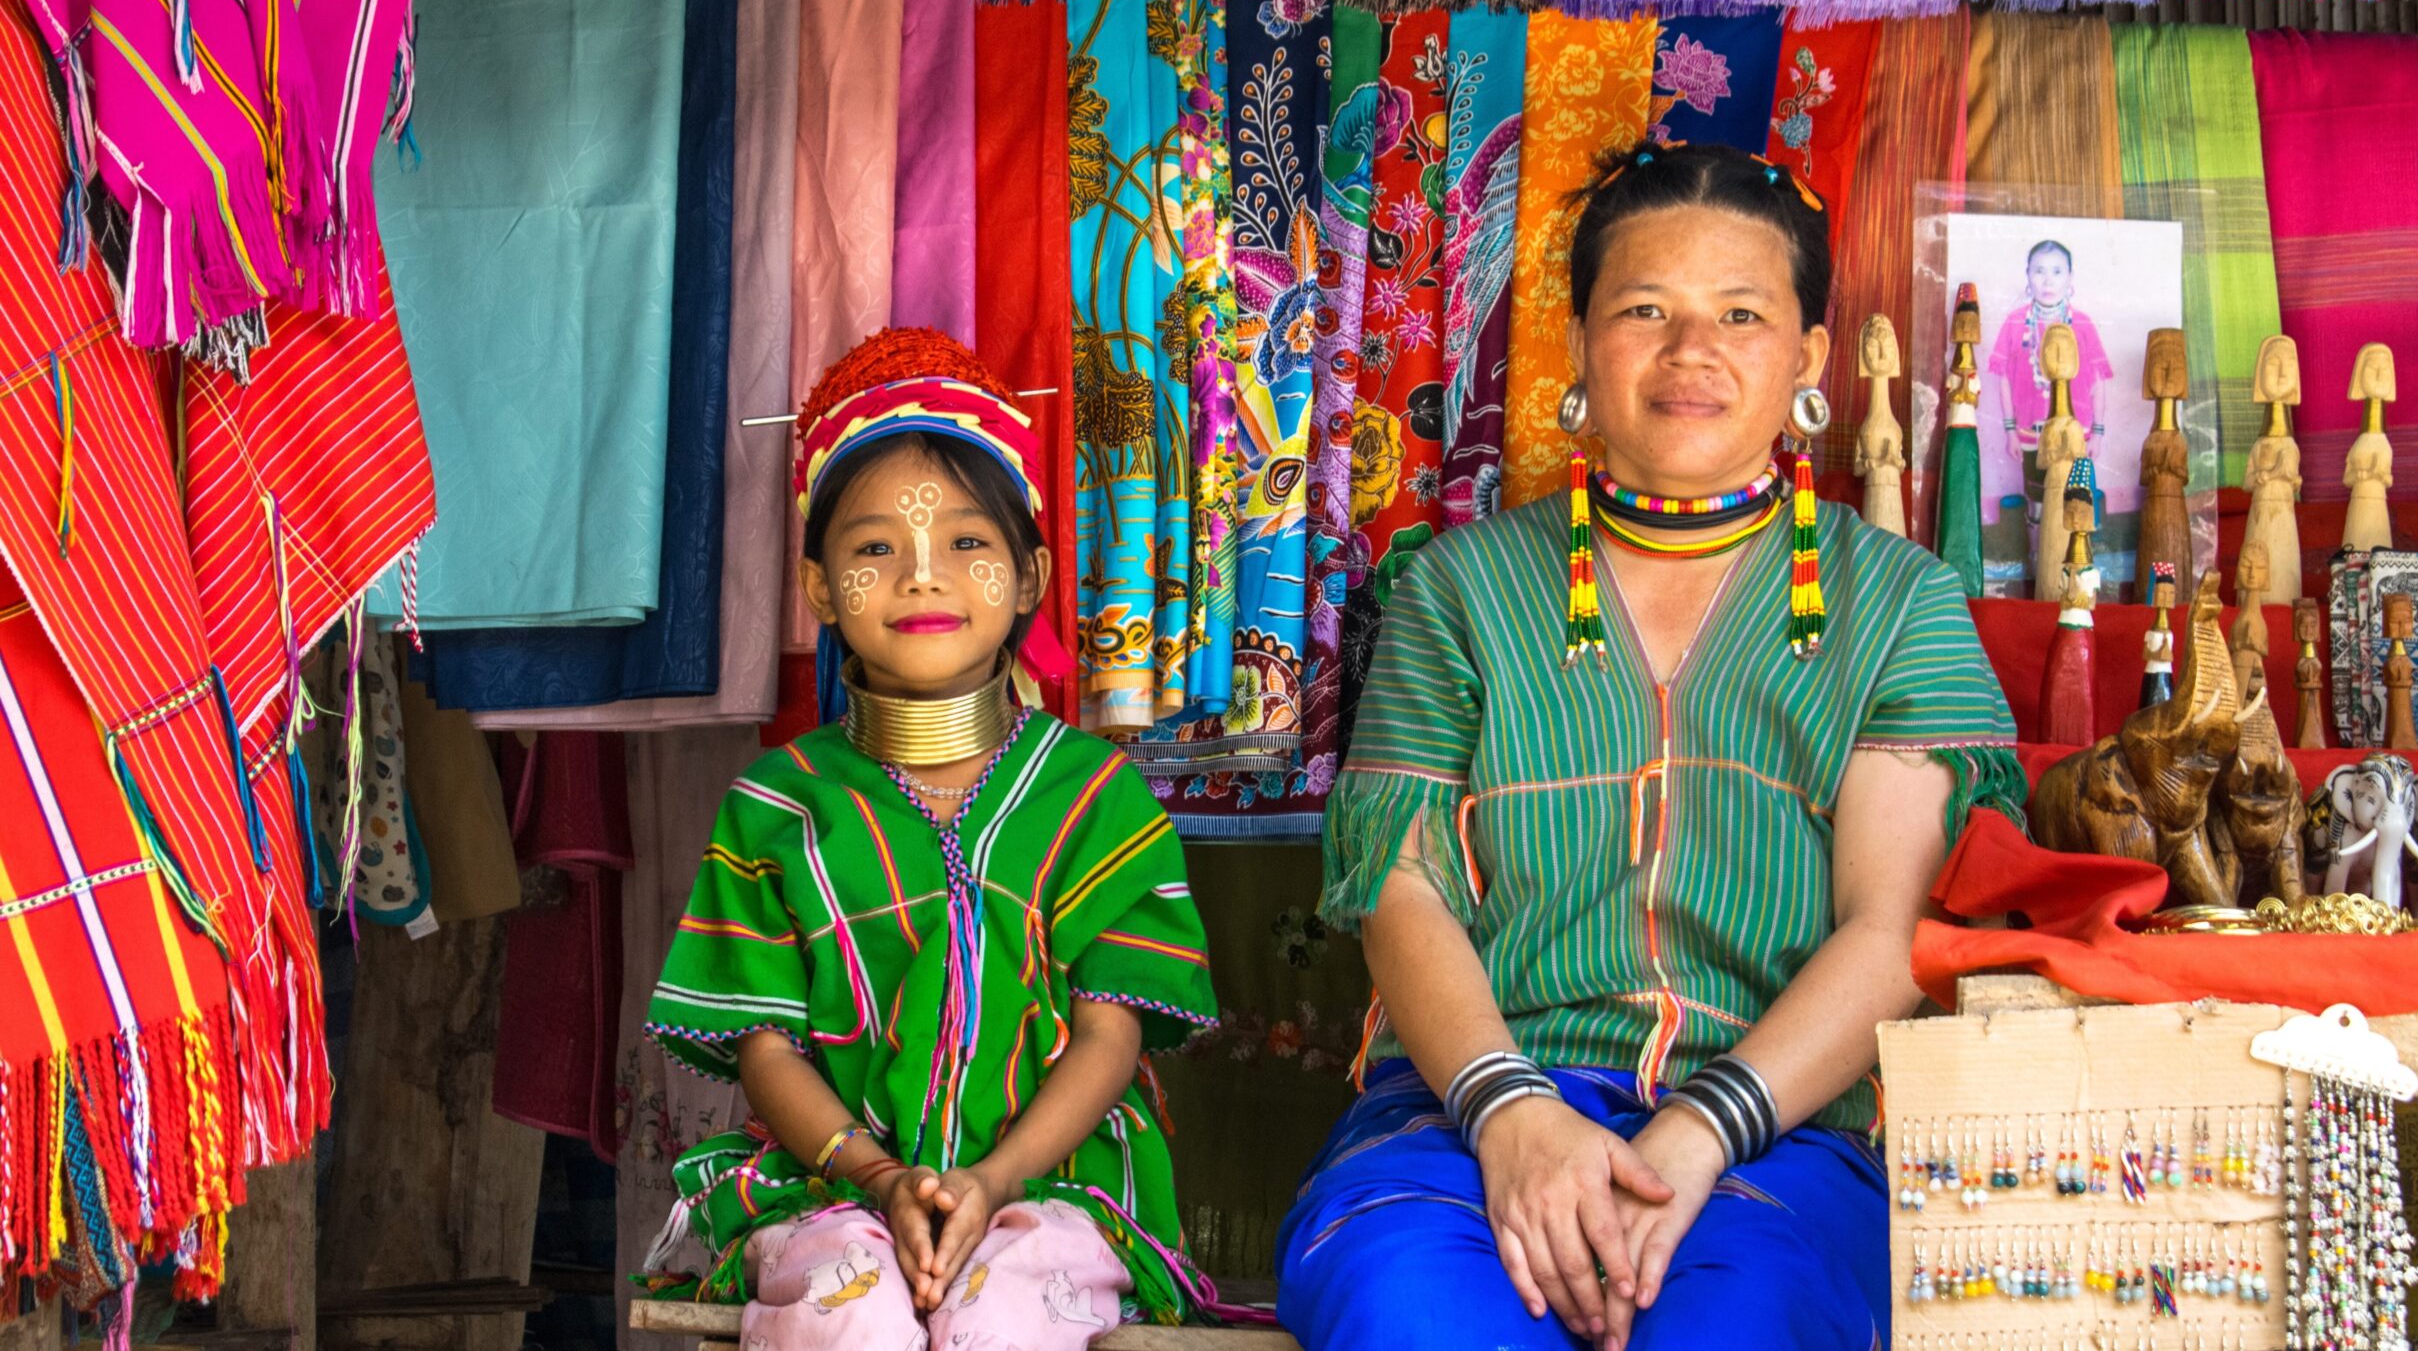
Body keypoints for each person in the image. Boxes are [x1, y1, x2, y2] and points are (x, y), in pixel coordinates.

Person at [1275, 143, 2024, 1351]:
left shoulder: (1899, 604)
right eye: (1643, 311)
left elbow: (1897, 931)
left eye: (1740, 314)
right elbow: (1398, 889)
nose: (1691, 351)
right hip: (1470, 1122)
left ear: (1808, 357)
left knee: (1743, 1319)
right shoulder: (1459, 587)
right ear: (1578, 343)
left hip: (1777, 1134)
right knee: (1407, 1307)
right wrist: (1512, 1114)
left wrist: (1701, 1128)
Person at [643, 329, 1220, 1350]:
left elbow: (1111, 1034)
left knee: (1004, 1314)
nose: (921, 575)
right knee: (856, 1311)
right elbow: (765, 1048)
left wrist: (992, 1179)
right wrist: (879, 1177)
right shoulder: (777, 804)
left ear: (1031, 575)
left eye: (966, 543)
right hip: (827, 1189)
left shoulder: (1099, 797)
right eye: (874, 548)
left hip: (1055, 1187)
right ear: (819, 587)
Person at [1986, 239, 2113, 529]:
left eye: (2057, 271)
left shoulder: (2082, 324)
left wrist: (2097, 434)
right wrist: (2010, 432)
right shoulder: (2015, 323)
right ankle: (2038, 555)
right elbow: (2004, 381)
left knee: (2076, 503)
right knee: (2038, 502)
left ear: (2070, 277)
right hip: (2031, 434)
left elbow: (2097, 383)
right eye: (2039, 271)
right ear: (2027, 275)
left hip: (2076, 435)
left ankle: (2072, 557)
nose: (2048, 280)